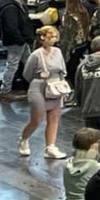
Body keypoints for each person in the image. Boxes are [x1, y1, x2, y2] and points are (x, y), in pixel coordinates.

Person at [18, 25, 69, 159]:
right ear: (42, 37)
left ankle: (50, 147)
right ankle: (24, 139)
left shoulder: (58, 52)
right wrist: (39, 80)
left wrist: (63, 89)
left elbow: (62, 70)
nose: (54, 39)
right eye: (50, 36)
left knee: (54, 117)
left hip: (55, 86)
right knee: (37, 119)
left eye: (55, 37)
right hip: (39, 86)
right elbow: (27, 74)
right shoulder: (36, 54)